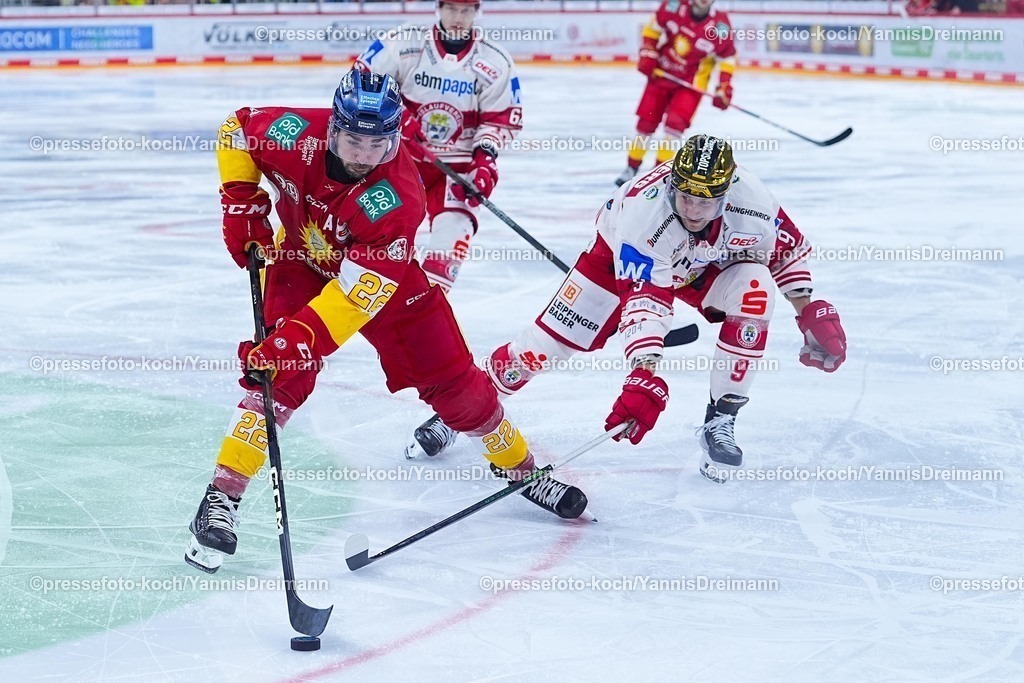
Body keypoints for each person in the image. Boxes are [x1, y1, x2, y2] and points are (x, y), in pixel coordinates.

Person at [184, 69, 584, 575]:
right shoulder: (293, 134)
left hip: (385, 286)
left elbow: (356, 296)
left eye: (378, 143)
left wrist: (298, 339)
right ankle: (222, 498)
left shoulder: (398, 201)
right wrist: (239, 199)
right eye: (353, 138)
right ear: (333, 128)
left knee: (459, 387)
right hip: (301, 259)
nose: (363, 154)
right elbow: (237, 129)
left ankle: (522, 471)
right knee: (275, 380)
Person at [410, 135, 847, 482]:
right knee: (543, 348)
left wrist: (808, 312)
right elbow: (646, 305)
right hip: (612, 259)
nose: (693, 209)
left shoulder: (754, 201)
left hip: (699, 265)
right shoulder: (644, 213)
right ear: (672, 183)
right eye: (685, 196)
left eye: (705, 200)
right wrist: (644, 374)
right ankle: (463, 411)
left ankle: (721, 420)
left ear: (726, 193)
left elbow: (786, 254)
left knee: (755, 289)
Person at [354, 0, 523, 292]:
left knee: (441, 270)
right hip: (399, 164)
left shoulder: (495, 62)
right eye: (452, 9)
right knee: (379, 250)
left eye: (466, 10)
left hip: (456, 173)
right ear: (439, 8)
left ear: (477, 11)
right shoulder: (404, 44)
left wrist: (485, 160)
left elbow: (501, 120)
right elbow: (362, 80)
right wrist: (397, 116)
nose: (458, 18)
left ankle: (425, 319)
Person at [615, 0, 737, 187]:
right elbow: (652, 29)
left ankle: (658, 174)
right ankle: (631, 167)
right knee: (645, 124)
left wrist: (724, 85)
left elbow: (726, 56)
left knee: (674, 126)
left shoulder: (720, 26)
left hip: (690, 85)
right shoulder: (673, 6)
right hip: (661, 74)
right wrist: (648, 51)